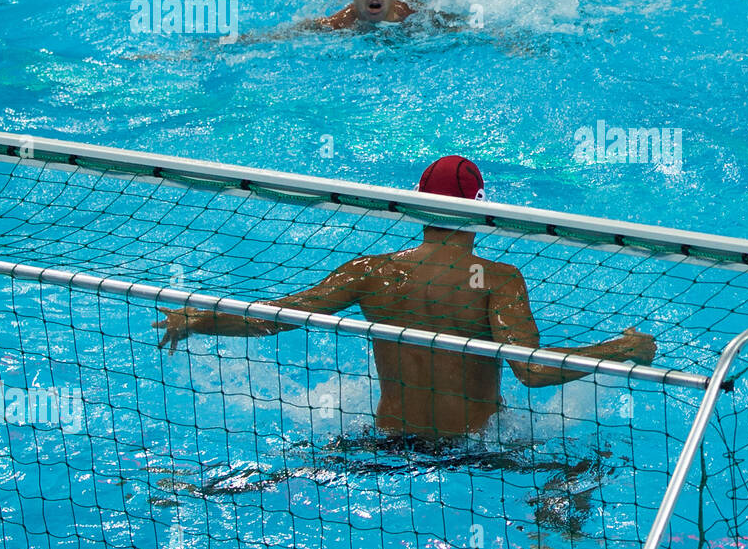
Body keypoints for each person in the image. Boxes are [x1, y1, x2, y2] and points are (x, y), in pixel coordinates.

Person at [152, 156, 657, 442]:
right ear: (483, 210)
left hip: (388, 443)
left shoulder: (373, 272)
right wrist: (621, 349)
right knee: (586, 469)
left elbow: (278, 317)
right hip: (475, 449)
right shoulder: (496, 279)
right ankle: (553, 536)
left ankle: (195, 490)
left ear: (417, 203)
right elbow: (535, 371)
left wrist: (199, 320)